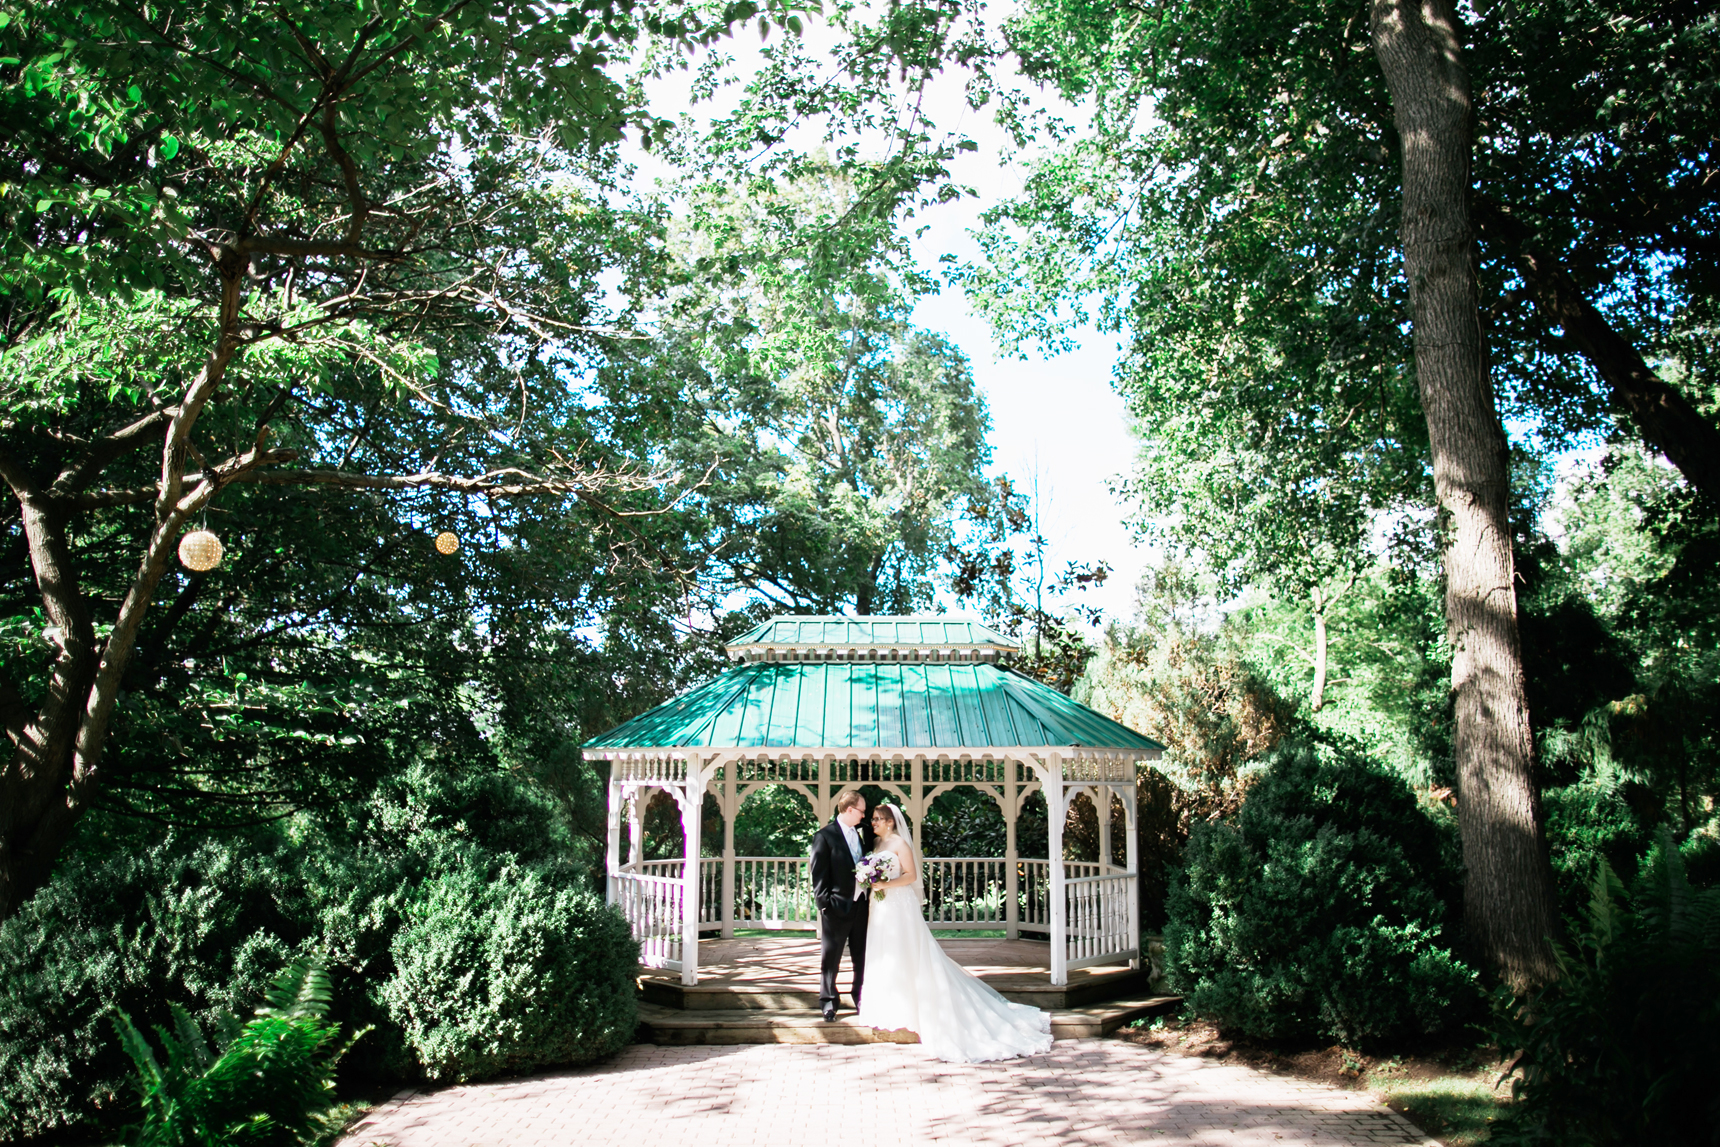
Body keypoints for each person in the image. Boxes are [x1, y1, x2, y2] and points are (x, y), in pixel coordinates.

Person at [857, 802, 1054, 1062]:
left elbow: (912, 876)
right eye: (872, 819)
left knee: (906, 951)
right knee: (885, 952)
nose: (873, 823)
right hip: (881, 906)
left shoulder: (900, 844)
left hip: (899, 905)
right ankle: (889, 1007)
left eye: (878, 819)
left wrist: (885, 883)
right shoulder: (878, 845)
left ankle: (914, 1009)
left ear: (891, 822)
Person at [808, 790, 873, 1022]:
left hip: (862, 905)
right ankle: (828, 1002)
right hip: (836, 906)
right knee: (831, 957)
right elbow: (818, 874)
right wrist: (825, 905)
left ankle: (860, 997)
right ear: (849, 809)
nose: (864, 815)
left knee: (861, 955)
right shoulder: (824, 836)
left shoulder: (861, 834)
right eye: (861, 811)